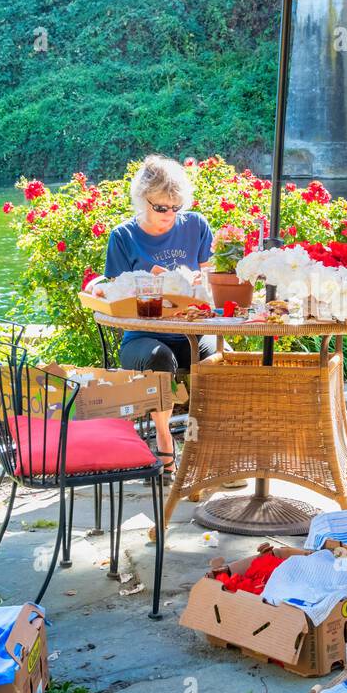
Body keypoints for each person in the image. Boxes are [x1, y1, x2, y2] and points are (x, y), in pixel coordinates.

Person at [104, 155, 215, 478]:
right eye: (161, 207)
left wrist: (196, 284)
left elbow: (210, 281)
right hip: (141, 338)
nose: (169, 215)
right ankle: (165, 439)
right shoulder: (123, 236)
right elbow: (115, 296)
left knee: (217, 361)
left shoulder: (195, 225)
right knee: (160, 360)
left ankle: (206, 443)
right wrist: (149, 284)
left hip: (189, 329)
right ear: (142, 200)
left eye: (175, 207)